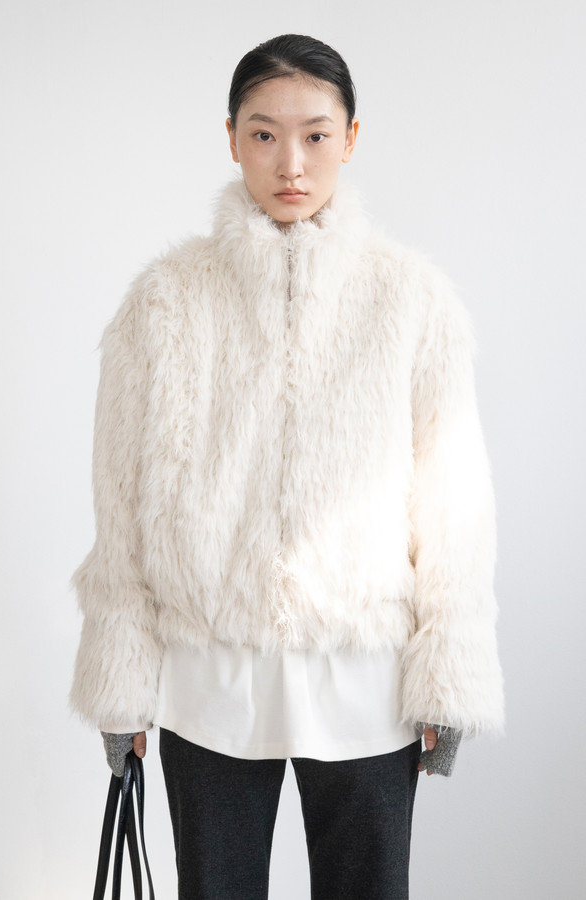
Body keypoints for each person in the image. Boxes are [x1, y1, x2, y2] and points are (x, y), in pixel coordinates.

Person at [71, 34, 504, 899]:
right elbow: (119, 504)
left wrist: (448, 675)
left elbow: (452, 502)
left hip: (365, 680)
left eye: (315, 134)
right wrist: (120, 683)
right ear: (232, 139)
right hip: (210, 680)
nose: (291, 163)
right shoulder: (163, 302)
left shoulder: (411, 300)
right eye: (265, 134)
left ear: (352, 138)